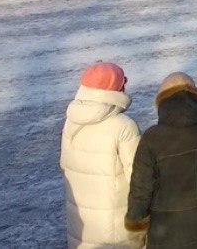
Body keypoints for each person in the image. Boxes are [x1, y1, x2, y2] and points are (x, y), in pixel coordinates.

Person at [125, 72, 197, 247]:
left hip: (169, 229)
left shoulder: (152, 137)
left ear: (162, 101)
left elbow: (141, 188)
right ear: (196, 95)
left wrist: (136, 225)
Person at [60, 63, 141, 248]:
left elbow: (64, 166)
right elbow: (138, 178)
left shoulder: (71, 120)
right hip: (115, 227)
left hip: (82, 223)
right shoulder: (123, 126)